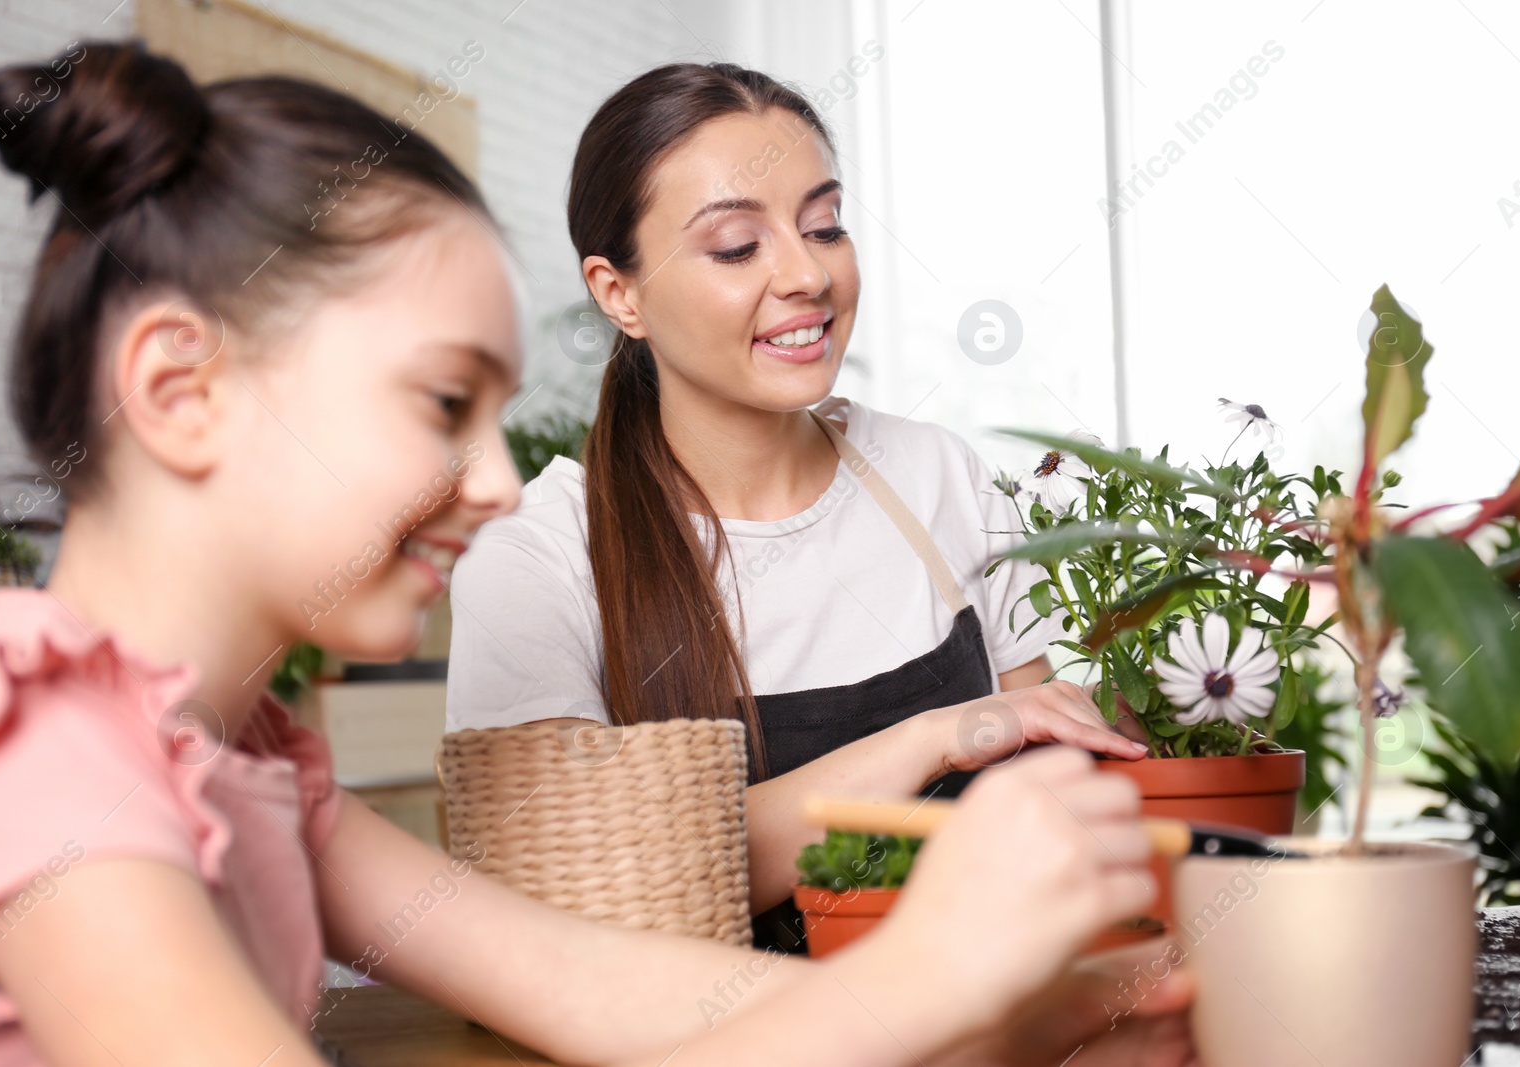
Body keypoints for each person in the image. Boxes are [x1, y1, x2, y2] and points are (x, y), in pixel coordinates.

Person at [0, 41, 1198, 1067]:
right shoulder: (44, 764)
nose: (498, 480)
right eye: (441, 402)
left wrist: (1074, 1000)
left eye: (824, 224)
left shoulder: (250, 761)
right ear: (178, 390)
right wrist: (941, 962)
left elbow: (614, 993)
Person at [444, 62, 1145, 947]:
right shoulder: (539, 560)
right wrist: (945, 735)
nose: (806, 273)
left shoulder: (939, 476)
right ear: (619, 293)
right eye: (738, 246)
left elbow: (1050, 798)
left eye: (824, 225)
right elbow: (564, 906)